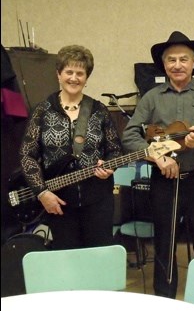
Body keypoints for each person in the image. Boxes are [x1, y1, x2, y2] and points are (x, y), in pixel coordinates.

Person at [122, 31, 194, 299]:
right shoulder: (151, 97)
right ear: (164, 65)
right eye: (171, 60)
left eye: (183, 59)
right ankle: (164, 298)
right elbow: (130, 134)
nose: (177, 65)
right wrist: (157, 156)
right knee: (164, 242)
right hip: (164, 181)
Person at [19, 44, 123, 250]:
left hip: (98, 200)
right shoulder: (43, 110)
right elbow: (27, 155)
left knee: (98, 257)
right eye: (69, 72)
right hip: (57, 202)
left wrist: (109, 166)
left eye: (80, 73)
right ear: (59, 74)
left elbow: (115, 150)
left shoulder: (99, 110)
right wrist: (42, 193)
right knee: (67, 262)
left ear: (86, 78)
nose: (74, 78)